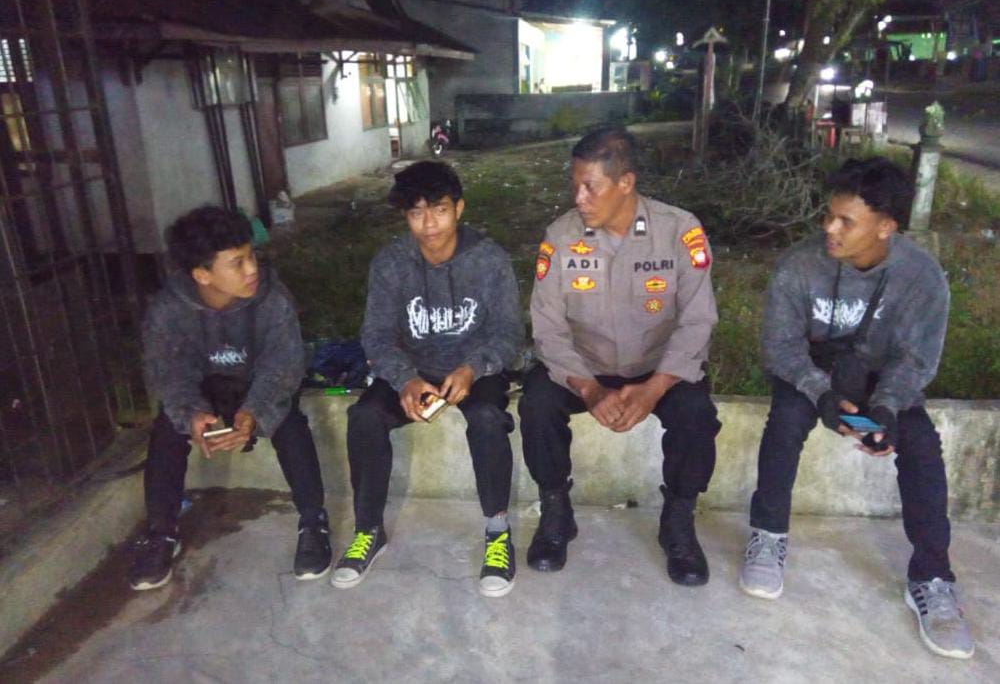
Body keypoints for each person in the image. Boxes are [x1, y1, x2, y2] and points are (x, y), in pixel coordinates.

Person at [739, 157, 974, 659]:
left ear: (886, 227)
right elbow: (780, 348)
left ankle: (932, 578)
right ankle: (768, 534)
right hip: (812, 375)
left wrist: (885, 408)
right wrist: (821, 394)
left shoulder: (921, 277)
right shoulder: (799, 266)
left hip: (880, 382)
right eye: (829, 215)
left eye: (846, 221)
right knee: (786, 418)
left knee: (921, 443)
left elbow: (916, 360)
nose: (830, 228)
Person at [520, 127, 721, 586]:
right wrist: (588, 388)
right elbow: (548, 327)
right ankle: (555, 510)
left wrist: (654, 388)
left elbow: (697, 321)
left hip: (657, 368)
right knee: (536, 404)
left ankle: (678, 521)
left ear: (626, 183)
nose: (579, 198)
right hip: (582, 368)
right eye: (574, 184)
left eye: (591, 186)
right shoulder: (561, 236)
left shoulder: (679, 231)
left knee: (696, 415)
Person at [332, 161, 524, 597]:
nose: (429, 224)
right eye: (417, 213)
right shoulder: (391, 263)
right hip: (413, 369)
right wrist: (405, 379)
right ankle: (368, 530)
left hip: (474, 368)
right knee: (364, 417)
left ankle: (497, 534)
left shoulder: (488, 259)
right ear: (406, 216)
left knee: (488, 418)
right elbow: (376, 335)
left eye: (439, 210)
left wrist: (473, 367)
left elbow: (508, 332)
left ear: (459, 208)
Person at [130, 206, 330, 590]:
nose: (252, 269)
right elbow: (168, 371)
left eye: (251, 256)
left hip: (256, 386)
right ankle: (161, 533)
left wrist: (254, 411)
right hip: (205, 390)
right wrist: (192, 413)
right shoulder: (168, 309)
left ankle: (313, 523)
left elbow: (283, 364)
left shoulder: (272, 299)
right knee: (167, 429)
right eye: (237, 263)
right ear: (202, 274)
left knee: (289, 422)